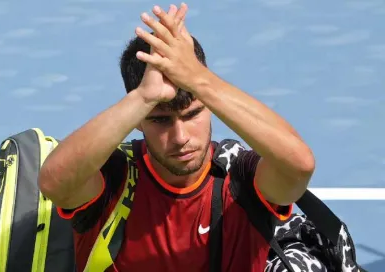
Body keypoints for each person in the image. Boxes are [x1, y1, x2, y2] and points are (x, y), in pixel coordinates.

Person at [38, 3, 316, 272]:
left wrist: (198, 79)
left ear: (210, 106)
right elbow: (54, 182)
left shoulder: (241, 180)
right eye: (160, 120)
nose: (180, 137)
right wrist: (144, 97)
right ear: (136, 119)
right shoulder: (114, 179)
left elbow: (298, 165)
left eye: (192, 114)